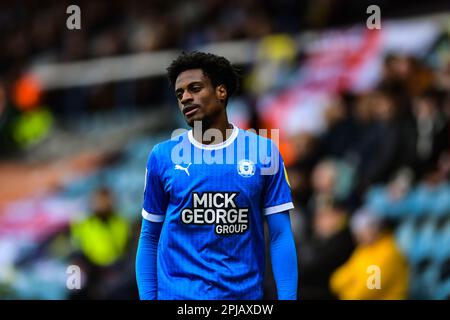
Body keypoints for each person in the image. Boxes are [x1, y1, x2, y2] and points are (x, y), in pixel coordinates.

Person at [135, 51, 298, 300]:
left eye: (195, 88)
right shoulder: (162, 156)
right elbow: (149, 237)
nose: (186, 98)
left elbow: (280, 234)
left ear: (221, 92)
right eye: (180, 94)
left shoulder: (263, 152)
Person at [330, 207, 409, 300]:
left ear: (375, 229)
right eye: (356, 232)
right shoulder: (363, 250)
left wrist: (345, 293)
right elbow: (339, 278)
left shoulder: (388, 253)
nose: (358, 236)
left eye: (362, 231)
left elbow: (368, 290)